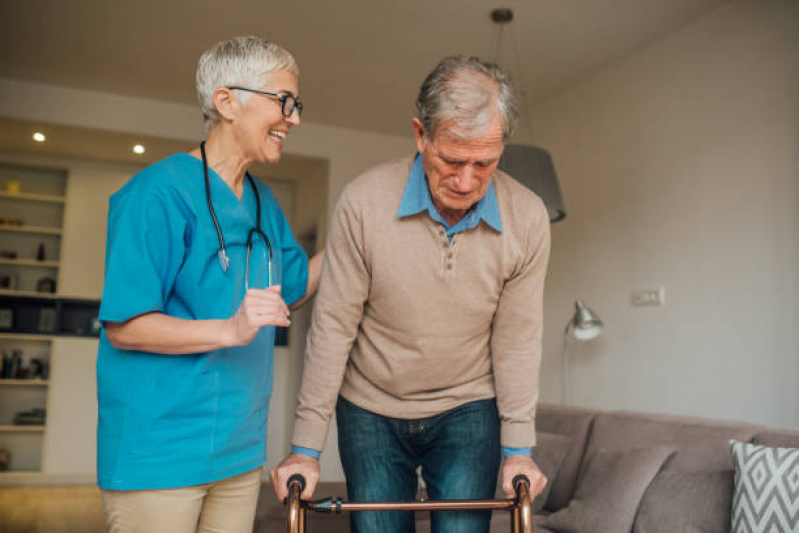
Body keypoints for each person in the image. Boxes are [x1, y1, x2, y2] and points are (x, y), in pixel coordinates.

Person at [271, 55, 550, 533]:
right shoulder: (363, 202)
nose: (466, 182)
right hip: (370, 405)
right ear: (421, 135)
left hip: (469, 405)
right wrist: (305, 449)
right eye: (452, 160)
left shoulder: (527, 217)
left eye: (484, 163)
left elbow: (518, 339)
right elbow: (334, 326)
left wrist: (519, 451)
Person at [96, 36, 323, 533]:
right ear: (226, 102)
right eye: (283, 102)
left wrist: (358, 228)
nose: (294, 118)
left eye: (296, 105)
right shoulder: (155, 193)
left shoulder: (263, 202)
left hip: (239, 452)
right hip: (161, 451)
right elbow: (125, 328)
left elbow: (296, 284)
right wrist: (229, 329)